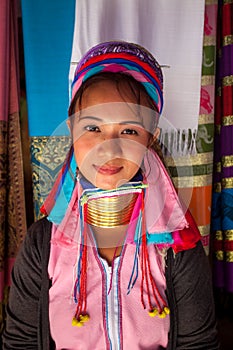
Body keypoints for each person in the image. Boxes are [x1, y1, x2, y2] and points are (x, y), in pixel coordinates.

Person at [3, 41, 219, 349]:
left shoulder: (176, 246)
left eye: (130, 131)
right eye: (92, 128)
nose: (109, 148)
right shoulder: (43, 244)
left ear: (151, 137)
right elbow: (19, 343)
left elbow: (198, 345)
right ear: (72, 129)